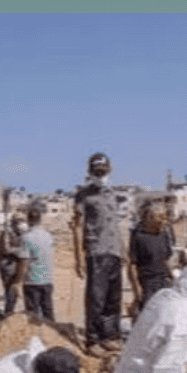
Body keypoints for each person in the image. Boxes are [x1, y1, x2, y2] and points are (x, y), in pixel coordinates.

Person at [71, 152, 129, 354]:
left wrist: (124, 250)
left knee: (113, 297)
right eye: (96, 171)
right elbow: (77, 228)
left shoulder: (113, 195)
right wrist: (78, 258)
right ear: (90, 172)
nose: (100, 174)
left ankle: (110, 336)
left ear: (109, 170)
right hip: (97, 251)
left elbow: (116, 224)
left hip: (114, 251)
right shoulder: (84, 196)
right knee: (96, 298)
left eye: (103, 171)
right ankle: (93, 339)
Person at [128, 199, 176, 316]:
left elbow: (165, 260)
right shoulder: (139, 237)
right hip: (148, 283)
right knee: (149, 316)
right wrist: (137, 289)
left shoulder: (164, 235)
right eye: (161, 217)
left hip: (164, 281)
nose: (164, 221)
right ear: (151, 217)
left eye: (165, 217)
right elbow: (132, 265)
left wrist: (173, 278)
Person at [21, 204, 55, 321]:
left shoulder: (26, 237)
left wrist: (18, 280)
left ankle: (36, 338)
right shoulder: (48, 236)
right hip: (47, 280)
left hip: (32, 281)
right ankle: (52, 336)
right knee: (48, 312)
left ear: (28, 220)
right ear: (40, 220)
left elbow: (24, 261)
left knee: (33, 315)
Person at [0, 216, 29, 317]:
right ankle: (8, 313)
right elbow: (6, 249)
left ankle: (9, 312)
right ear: (14, 224)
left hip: (15, 263)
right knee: (11, 290)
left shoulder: (19, 233)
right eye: (20, 222)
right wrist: (21, 251)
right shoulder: (7, 233)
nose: (22, 225)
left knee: (15, 290)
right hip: (7, 265)